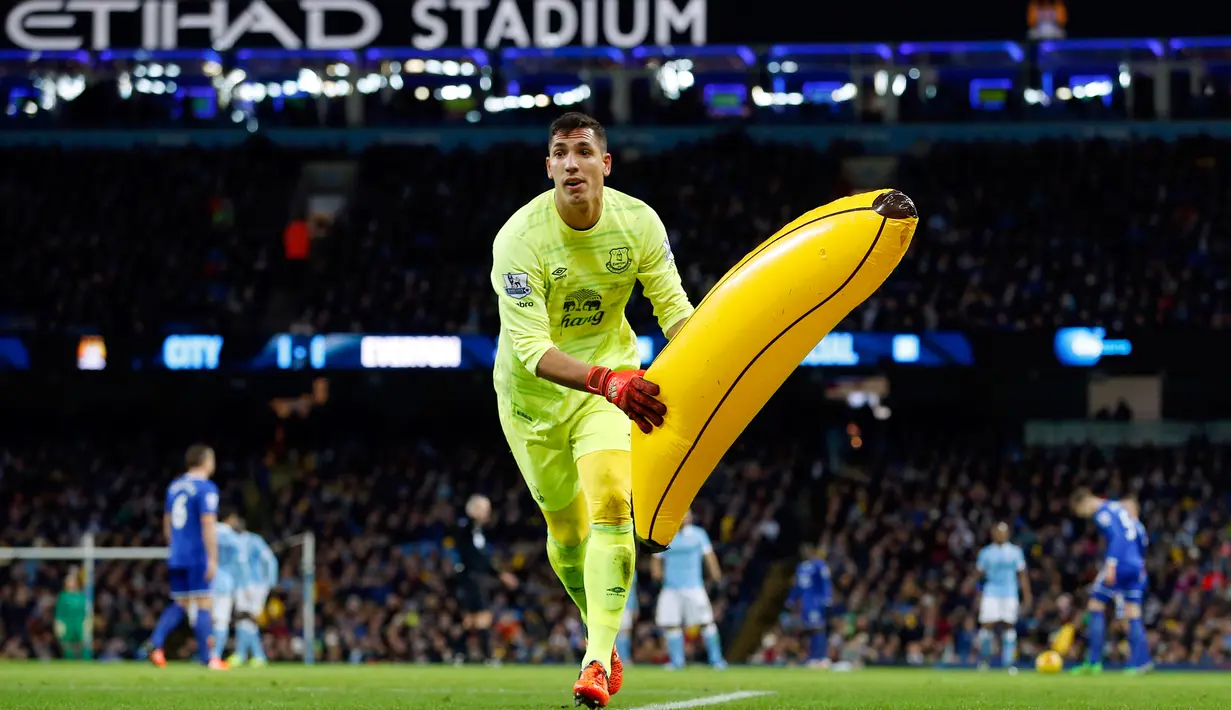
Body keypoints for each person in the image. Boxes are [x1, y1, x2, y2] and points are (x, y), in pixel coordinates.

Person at [490, 111, 694, 708]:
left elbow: (676, 313)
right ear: (548, 166)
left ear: (605, 164)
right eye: (560, 153)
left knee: (610, 509)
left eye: (584, 151)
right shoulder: (519, 239)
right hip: (533, 401)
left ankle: (596, 660)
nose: (572, 163)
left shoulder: (638, 223)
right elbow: (531, 351)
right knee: (566, 531)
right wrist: (604, 381)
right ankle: (599, 636)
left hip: (609, 389)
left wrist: (711, 373)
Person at [147, 444, 222, 668]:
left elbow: (167, 522)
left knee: (180, 603)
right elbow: (207, 522)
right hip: (197, 554)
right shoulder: (206, 488)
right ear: (205, 461)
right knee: (204, 603)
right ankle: (208, 659)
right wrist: (212, 557)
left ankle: (156, 643)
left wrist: (175, 547)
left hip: (177, 554)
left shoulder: (174, 486)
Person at [1069, 490, 1149, 674]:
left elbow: (1118, 537)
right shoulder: (1117, 507)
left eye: (1082, 511)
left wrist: (1112, 563)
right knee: (1133, 612)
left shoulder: (1103, 512)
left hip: (1119, 564)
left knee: (1095, 605)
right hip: (1136, 564)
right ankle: (1139, 663)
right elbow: (1139, 541)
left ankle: (1094, 662)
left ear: (1085, 502)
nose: (1085, 515)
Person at [651, 510, 727, 670]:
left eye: (687, 514)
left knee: (706, 622)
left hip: (694, 587)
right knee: (672, 624)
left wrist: (716, 575)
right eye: (682, 514)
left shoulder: (699, 535)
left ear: (691, 517)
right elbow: (656, 558)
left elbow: (709, 556)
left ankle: (717, 660)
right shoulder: (665, 535)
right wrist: (657, 573)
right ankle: (677, 661)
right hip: (671, 587)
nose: (684, 517)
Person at [453, 494, 517, 663]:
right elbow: (467, 545)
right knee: (482, 617)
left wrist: (500, 574)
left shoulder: (478, 532)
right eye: (484, 509)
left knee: (472, 620)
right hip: (471, 576)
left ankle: (459, 653)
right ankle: (487, 656)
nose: (487, 513)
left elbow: (484, 559)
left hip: (477, 577)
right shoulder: (465, 526)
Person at [974, 521, 1031, 673]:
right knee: (987, 625)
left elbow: (1022, 575)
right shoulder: (985, 552)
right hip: (991, 592)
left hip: (1010, 593)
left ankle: (1009, 663)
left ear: (1008, 534)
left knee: (1009, 625)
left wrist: (1027, 596)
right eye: (997, 532)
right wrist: (977, 594)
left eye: (1003, 531)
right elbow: (979, 576)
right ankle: (985, 660)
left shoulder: (1015, 552)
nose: (1000, 534)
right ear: (993, 534)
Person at [229, 528, 278, 667]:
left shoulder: (254, 540)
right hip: (240, 584)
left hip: (256, 585)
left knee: (248, 618)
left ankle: (245, 655)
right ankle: (252, 655)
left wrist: (270, 582)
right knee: (243, 619)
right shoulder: (233, 540)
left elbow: (270, 559)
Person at [208, 508, 249, 669]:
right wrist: (244, 586)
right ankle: (215, 657)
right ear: (230, 517)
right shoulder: (234, 538)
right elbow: (241, 563)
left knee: (206, 620)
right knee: (221, 621)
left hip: (206, 582)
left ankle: (205, 655)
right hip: (225, 584)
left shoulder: (208, 531)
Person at [787, 543, 833, 669]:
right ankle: (814, 658)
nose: (805, 552)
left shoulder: (819, 564)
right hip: (806, 603)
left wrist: (827, 597)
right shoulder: (801, 567)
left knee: (819, 628)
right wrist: (791, 599)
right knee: (813, 630)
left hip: (816, 601)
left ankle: (821, 657)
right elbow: (797, 585)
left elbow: (825, 582)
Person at [54, 570, 89, 660]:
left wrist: (87, 623)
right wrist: (58, 624)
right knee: (67, 647)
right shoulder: (63, 596)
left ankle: (85, 664)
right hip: (67, 624)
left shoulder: (82, 596)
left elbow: (85, 612)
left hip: (79, 624)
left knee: (82, 646)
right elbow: (59, 612)